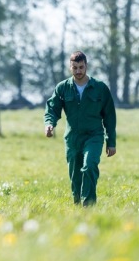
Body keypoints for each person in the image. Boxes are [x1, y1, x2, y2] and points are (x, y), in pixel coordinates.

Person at [44, 51, 117, 206]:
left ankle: (88, 206)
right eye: (75, 67)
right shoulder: (63, 88)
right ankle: (77, 205)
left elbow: (109, 116)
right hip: (72, 139)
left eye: (81, 67)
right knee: (75, 176)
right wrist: (49, 124)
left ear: (86, 66)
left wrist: (111, 141)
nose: (78, 71)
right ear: (70, 67)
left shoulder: (100, 88)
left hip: (94, 136)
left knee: (89, 166)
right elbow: (52, 109)